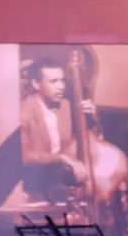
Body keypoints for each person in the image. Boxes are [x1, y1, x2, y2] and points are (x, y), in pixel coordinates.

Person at [19, 58, 96, 201]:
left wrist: (90, 118)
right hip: (33, 188)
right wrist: (61, 158)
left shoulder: (65, 105)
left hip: (59, 185)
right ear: (36, 84)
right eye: (53, 81)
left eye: (62, 81)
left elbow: (84, 141)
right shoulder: (23, 111)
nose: (61, 86)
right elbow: (23, 156)